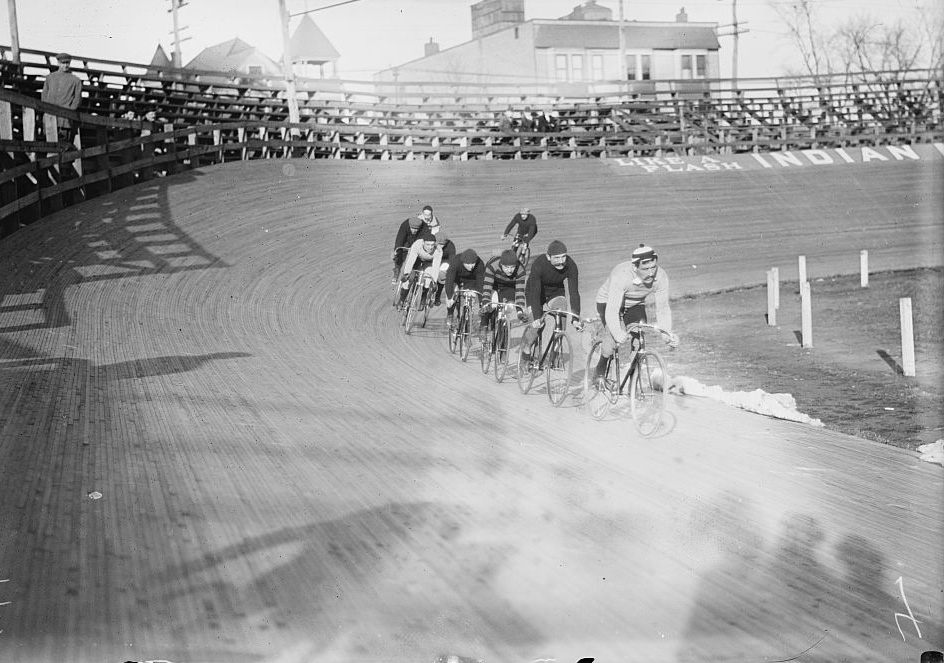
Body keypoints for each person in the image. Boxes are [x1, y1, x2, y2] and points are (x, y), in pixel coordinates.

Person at [590, 244, 678, 385]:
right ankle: (600, 370)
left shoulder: (661, 276)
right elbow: (612, 311)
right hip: (608, 302)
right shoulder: (621, 274)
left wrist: (666, 334)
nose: (651, 273)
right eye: (645, 269)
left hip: (635, 304)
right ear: (635, 268)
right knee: (612, 339)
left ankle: (631, 384)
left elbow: (663, 309)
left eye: (653, 267)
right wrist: (618, 333)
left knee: (638, 342)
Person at [520, 240, 581, 361]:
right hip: (535, 292)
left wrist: (575, 318)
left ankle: (556, 349)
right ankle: (526, 347)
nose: (561, 261)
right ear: (548, 257)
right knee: (537, 325)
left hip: (555, 293)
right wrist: (537, 317)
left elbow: (574, 292)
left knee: (562, 313)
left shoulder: (571, 265)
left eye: (563, 257)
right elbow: (535, 293)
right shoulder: (539, 264)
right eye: (557, 258)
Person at [480, 249, 528, 339]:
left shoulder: (521, 270)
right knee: (491, 305)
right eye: (506, 267)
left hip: (509, 287)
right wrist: (486, 303)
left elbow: (520, 292)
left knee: (508, 307)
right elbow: (487, 288)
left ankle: (502, 330)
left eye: (512, 267)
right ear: (501, 264)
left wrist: (520, 311)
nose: (509, 270)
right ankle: (484, 325)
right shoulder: (492, 266)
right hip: (494, 284)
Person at [41, 52, 83, 144]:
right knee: (48, 144)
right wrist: (47, 110)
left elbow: (77, 99)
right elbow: (44, 96)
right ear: (58, 63)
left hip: (65, 120)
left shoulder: (76, 80)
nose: (65, 65)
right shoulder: (50, 78)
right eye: (63, 63)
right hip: (50, 117)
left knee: (64, 146)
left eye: (67, 63)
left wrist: (69, 112)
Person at [397, 231, 443, 307]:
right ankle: (402, 299)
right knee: (408, 280)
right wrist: (407, 273)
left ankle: (423, 299)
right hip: (417, 259)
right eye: (428, 244)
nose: (430, 247)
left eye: (432, 245)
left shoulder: (438, 251)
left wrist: (434, 281)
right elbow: (410, 261)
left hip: (429, 263)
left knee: (428, 280)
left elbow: (436, 267)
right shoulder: (417, 245)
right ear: (423, 243)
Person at [444, 248, 485, 329]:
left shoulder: (480, 264)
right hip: (456, 278)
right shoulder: (455, 261)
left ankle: (467, 317)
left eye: (473, 263)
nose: (471, 266)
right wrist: (449, 297)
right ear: (463, 262)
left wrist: (481, 303)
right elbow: (449, 280)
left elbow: (480, 284)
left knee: (470, 297)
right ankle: (450, 313)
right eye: (468, 264)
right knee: (452, 296)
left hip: (471, 281)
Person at [391, 206, 433, 282]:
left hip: (418, 242)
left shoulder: (425, 229)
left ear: (419, 228)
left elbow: (425, 243)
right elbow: (399, 239)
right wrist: (397, 250)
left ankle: (414, 270)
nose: (414, 230)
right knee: (399, 252)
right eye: (412, 228)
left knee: (417, 257)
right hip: (408, 240)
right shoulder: (405, 225)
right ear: (409, 226)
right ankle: (397, 269)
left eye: (416, 229)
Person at [433, 231, 457, 305]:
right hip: (433, 258)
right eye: (439, 244)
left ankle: (437, 296)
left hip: (444, 260)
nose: (441, 246)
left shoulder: (451, 246)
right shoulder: (431, 243)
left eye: (443, 244)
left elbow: (452, 260)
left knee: (442, 276)